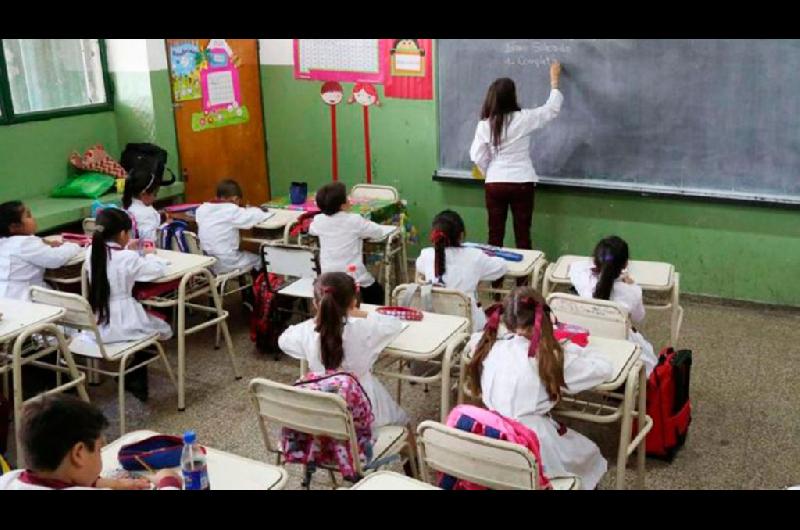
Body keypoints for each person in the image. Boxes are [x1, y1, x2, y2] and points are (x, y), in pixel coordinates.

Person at [466, 287, 613, 489]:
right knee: (588, 454)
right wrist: (570, 347)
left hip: (490, 432)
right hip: (532, 441)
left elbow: (473, 341)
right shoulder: (550, 357)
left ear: (505, 320)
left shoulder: (487, 344)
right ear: (544, 318)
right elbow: (604, 368)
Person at [278, 272, 408, 428]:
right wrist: (360, 313)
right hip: (364, 406)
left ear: (315, 303)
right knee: (402, 421)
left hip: (322, 409)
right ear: (353, 303)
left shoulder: (306, 332)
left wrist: (318, 319)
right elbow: (393, 324)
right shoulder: (365, 328)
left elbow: (283, 340)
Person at [469, 62, 563, 250]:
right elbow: (551, 110)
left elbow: (476, 155)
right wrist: (554, 82)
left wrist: (490, 171)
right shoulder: (524, 119)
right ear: (512, 97)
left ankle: (496, 279)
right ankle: (524, 280)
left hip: (495, 184)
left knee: (494, 236)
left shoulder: (485, 125)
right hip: (522, 182)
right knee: (523, 235)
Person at [0, 394, 180, 490]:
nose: (100, 455)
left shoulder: (9, 480)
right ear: (79, 453)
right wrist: (168, 481)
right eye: (99, 450)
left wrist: (113, 484)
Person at [568, 235, 658, 376]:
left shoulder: (584, 281)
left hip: (587, 342)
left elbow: (575, 266)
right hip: (619, 345)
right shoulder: (632, 291)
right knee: (649, 356)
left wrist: (599, 268)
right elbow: (639, 317)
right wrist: (630, 283)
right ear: (625, 264)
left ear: (595, 261)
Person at [415, 209, 507, 331]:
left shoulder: (426, 254)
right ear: (462, 235)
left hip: (435, 324)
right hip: (469, 326)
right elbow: (501, 267)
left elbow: (420, 267)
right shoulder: (475, 256)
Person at [309, 182, 389, 305]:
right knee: (376, 293)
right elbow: (378, 232)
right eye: (347, 198)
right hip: (352, 276)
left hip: (327, 276)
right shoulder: (354, 220)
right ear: (342, 205)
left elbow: (311, 230)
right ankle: (368, 316)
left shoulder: (319, 220)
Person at [0, 201, 81, 301]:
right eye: (28, 216)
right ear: (14, 227)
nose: (33, 218)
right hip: (22, 296)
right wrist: (73, 245)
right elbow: (56, 258)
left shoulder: (4, 242)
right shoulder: (26, 243)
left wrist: (44, 243)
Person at [195, 179, 271, 276]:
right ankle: (257, 289)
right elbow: (255, 216)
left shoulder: (202, 209)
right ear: (235, 199)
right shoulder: (231, 210)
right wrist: (258, 210)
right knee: (259, 260)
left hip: (207, 262)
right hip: (225, 262)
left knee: (243, 255)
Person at [122, 166, 162, 243]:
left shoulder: (126, 207)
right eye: (155, 194)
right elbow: (149, 240)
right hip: (144, 251)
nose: (155, 198)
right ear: (143, 194)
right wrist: (167, 224)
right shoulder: (147, 213)